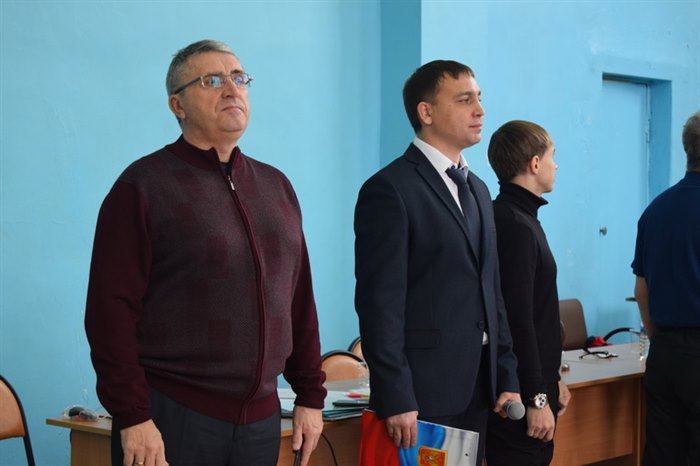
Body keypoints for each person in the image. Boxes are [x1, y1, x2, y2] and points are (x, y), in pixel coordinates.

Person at [84, 39, 326, 466]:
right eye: (212, 80)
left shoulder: (276, 186)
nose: (231, 89)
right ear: (177, 105)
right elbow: (110, 312)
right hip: (172, 414)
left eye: (239, 78)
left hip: (261, 421)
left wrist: (310, 395)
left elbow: (298, 299)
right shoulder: (143, 186)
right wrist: (133, 415)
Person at [354, 60, 521, 464]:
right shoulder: (390, 189)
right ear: (425, 112)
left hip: (479, 387)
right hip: (422, 394)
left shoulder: (478, 189)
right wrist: (396, 394)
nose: (479, 110)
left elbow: (491, 290)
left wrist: (506, 372)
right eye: (464, 100)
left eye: (479, 98)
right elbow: (379, 305)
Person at [484, 120, 571, 465]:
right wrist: (537, 397)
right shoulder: (516, 225)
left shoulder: (520, 217)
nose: (556, 165)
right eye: (552, 156)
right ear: (535, 163)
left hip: (534, 386)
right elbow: (519, 321)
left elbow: (539, 313)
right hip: (520, 398)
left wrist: (553, 380)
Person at [631, 110, 700, 466]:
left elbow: (641, 289)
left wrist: (660, 339)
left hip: (665, 354)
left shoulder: (655, 210)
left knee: (661, 453)